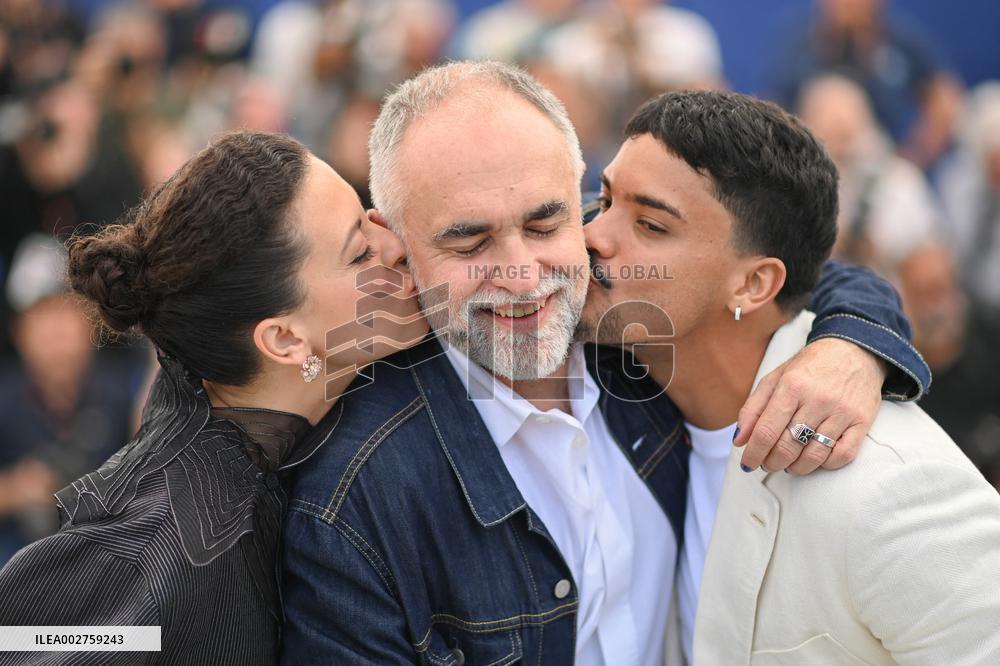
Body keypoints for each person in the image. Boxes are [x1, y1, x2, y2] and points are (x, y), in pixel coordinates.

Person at [281, 61, 930, 664]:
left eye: (545, 226)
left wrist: (853, 346)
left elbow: (776, 269)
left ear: (582, 206)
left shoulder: (628, 314)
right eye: (470, 242)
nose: (522, 273)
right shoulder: (352, 501)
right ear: (394, 244)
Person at [581, 89, 1000, 664]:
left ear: (753, 285)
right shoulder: (624, 393)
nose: (591, 234)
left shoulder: (893, 488)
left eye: (650, 225)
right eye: (605, 199)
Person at [0, 131, 425, 663]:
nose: (396, 244)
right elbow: (20, 643)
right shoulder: (165, 553)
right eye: (360, 254)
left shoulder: (266, 427)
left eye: (367, 214)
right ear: (283, 339)